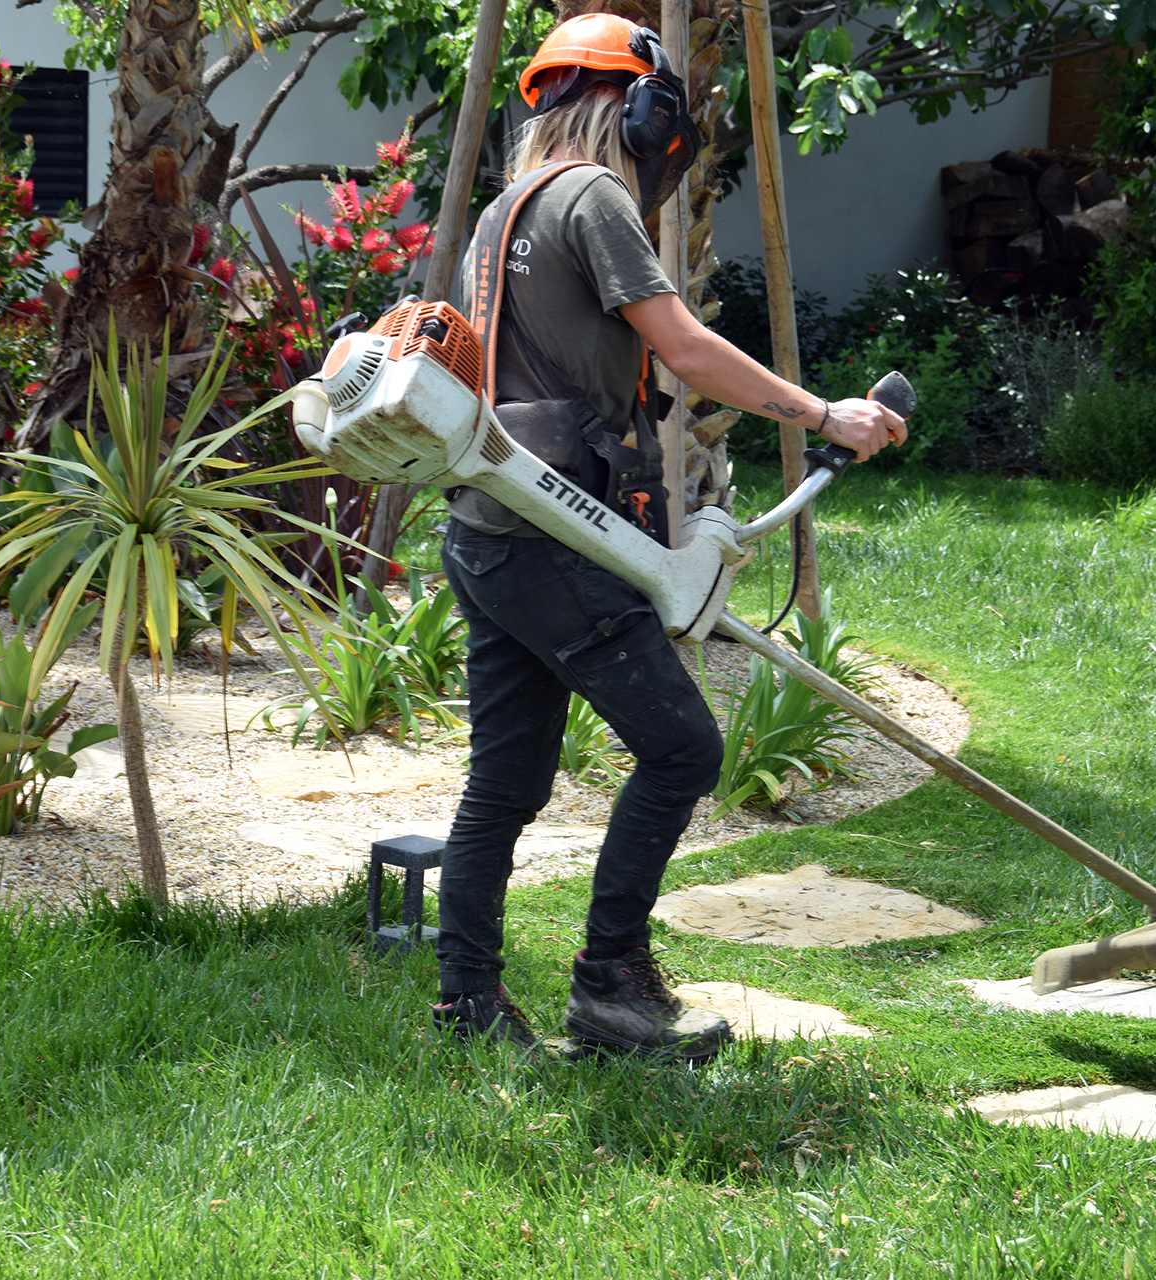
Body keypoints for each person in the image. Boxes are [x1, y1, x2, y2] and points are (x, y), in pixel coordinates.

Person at [432, 13, 906, 1061]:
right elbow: (683, 347)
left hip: (490, 527)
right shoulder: (593, 197)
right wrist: (827, 414)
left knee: (505, 782)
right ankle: (610, 986)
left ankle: (467, 1008)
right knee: (684, 745)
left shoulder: (500, 210)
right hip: (559, 532)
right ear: (636, 112)